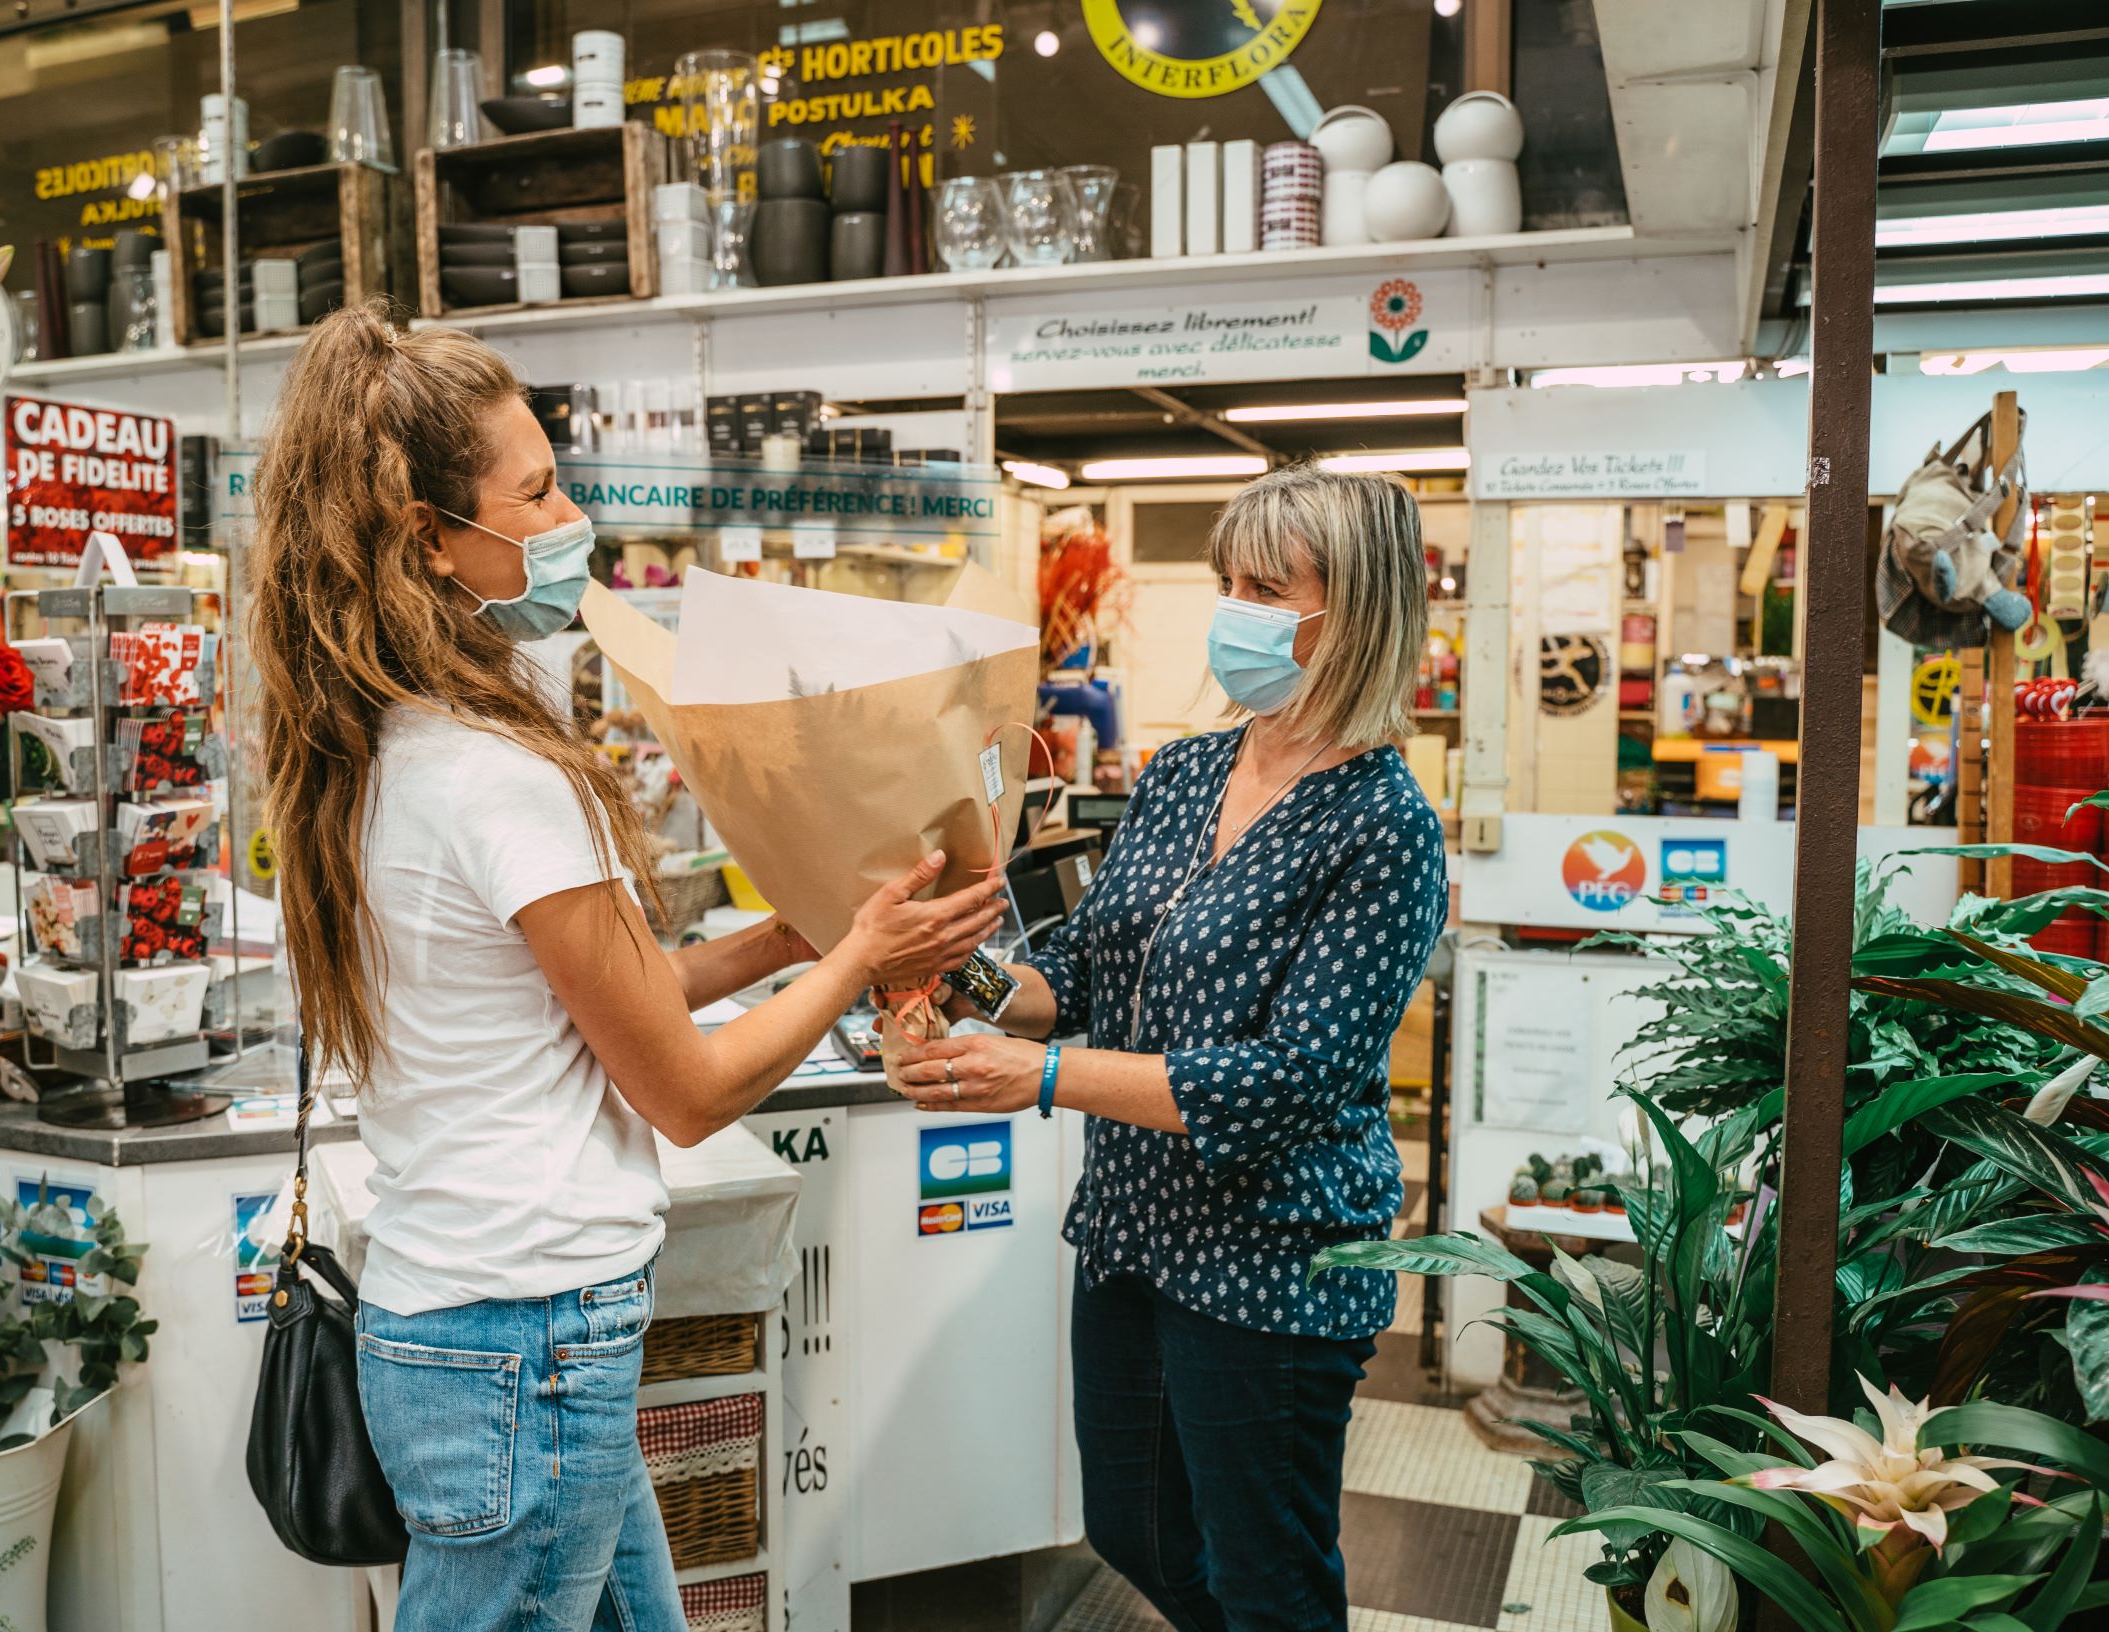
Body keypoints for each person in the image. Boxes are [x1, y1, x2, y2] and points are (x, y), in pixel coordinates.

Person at [249, 306, 1007, 1632]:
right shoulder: (499, 779)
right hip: (525, 1344)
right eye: (534, 490)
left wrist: (792, 934)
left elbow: (594, 1001)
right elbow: (688, 1090)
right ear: (431, 536)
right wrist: (864, 958)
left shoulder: (382, 754)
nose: (569, 514)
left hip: (483, 1326)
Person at [888, 465, 1447, 1632]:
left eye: (1265, 586)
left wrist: (1039, 1078)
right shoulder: (1186, 772)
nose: (1232, 609)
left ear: (1356, 610)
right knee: (1131, 1530)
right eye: (1226, 582)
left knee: (1269, 1583)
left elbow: (1289, 1082)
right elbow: (1084, 968)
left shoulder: (1384, 827)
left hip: (1272, 1262)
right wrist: (955, 970)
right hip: (1135, 1231)